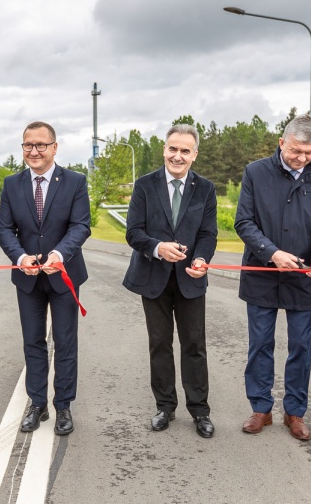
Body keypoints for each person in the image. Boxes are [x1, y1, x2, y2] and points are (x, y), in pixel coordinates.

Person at [234, 114, 311, 441]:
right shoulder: (255, 172)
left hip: (306, 277)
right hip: (262, 274)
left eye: (309, 153)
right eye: (296, 151)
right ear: (282, 142)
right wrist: (272, 253)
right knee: (260, 345)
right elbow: (244, 222)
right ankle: (261, 408)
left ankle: (294, 413)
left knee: (301, 347)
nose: (302, 159)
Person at [123, 124, 218, 438]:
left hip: (191, 279)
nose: (177, 156)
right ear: (164, 149)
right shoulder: (144, 185)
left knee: (195, 346)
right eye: (172, 149)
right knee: (159, 345)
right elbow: (133, 232)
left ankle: (200, 411)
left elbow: (208, 234)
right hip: (153, 278)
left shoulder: (205, 188)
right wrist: (157, 247)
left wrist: (202, 259)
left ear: (195, 155)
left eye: (185, 151)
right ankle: (165, 406)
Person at [0, 121, 91, 435]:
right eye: (28, 145)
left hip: (63, 275)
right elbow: (5, 229)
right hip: (27, 278)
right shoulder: (12, 184)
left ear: (54, 147)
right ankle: (37, 404)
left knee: (65, 343)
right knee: (33, 342)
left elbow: (80, 226)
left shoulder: (75, 181)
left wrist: (59, 254)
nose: (34, 151)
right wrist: (20, 257)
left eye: (40, 145)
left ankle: (63, 406)